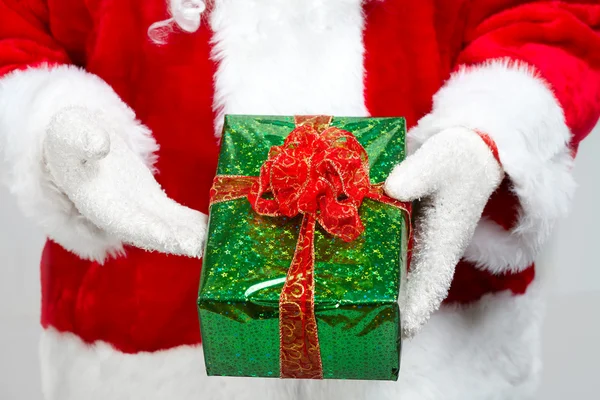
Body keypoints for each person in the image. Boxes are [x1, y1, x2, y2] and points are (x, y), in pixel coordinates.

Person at [1, 0, 599, 399]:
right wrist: (47, 120)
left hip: (439, 347)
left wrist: (493, 130)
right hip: (144, 337)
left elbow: (555, 15)